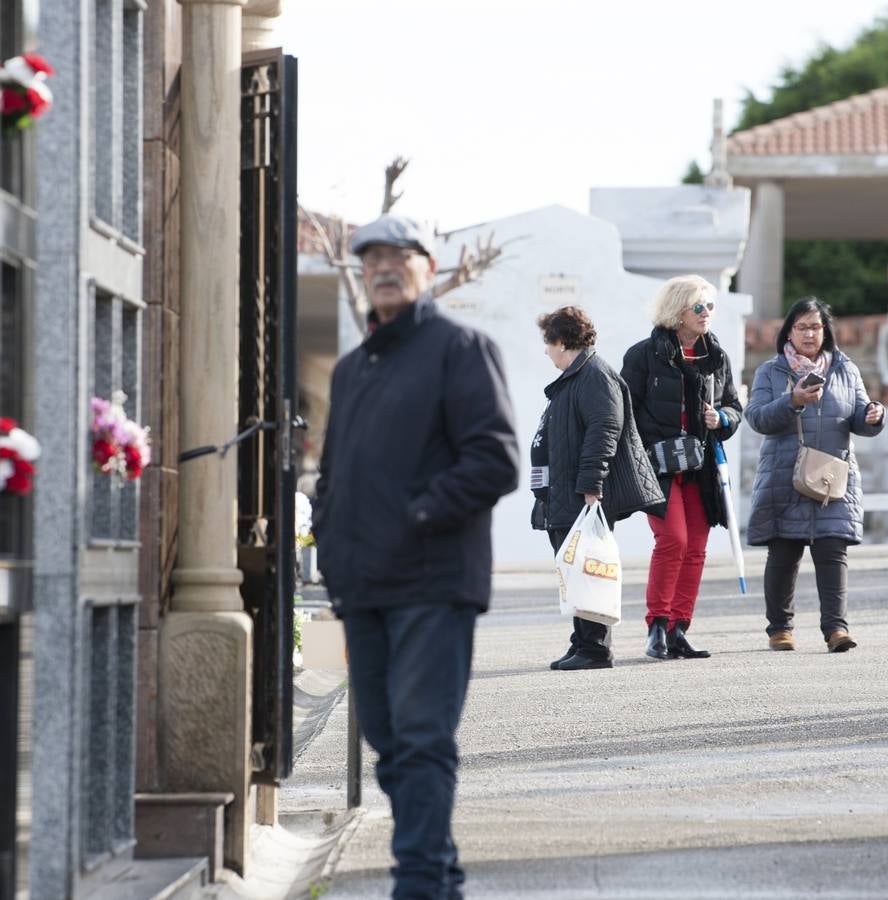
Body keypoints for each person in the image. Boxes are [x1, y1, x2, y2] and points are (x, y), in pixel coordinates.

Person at [311, 213, 519, 900]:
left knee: (424, 736)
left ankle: (420, 883)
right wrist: (334, 554)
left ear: (429, 268)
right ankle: (441, 873)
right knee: (388, 741)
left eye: (401, 255)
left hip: (433, 582)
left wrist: (419, 515)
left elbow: (494, 459)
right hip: (362, 588)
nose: (384, 268)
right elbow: (335, 474)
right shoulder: (352, 369)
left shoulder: (461, 348)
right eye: (372, 259)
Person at [745, 296, 885, 652]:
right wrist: (792, 401)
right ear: (789, 332)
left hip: (831, 476)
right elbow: (758, 418)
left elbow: (857, 416)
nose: (809, 334)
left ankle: (836, 629)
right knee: (783, 552)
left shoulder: (845, 369)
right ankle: (780, 629)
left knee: (832, 550)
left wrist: (872, 417)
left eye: (816, 327)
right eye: (802, 327)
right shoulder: (771, 371)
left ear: (826, 331)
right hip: (783, 474)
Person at [531, 306, 664, 671]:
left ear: (562, 341)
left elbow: (605, 430)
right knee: (575, 567)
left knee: (588, 567)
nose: (546, 351)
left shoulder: (595, 376)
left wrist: (591, 485)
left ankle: (596, 649)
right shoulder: (576, 376)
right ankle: (583, 641)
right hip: (564, 492)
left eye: (548, 342)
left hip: (583, 494)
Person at [621, 275, 742, 660]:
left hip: (701, 465)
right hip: (658, 465)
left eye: (710, 306)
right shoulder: (643, 355)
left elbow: (735, 408)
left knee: (697, 548)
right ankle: (656, 626)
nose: (706, 313)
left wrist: (720, 418)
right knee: (673, 540)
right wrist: (645, 449)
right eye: (698, 307)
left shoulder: (716, 357)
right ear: (677, 312)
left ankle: (679, 629)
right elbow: (626, 412)